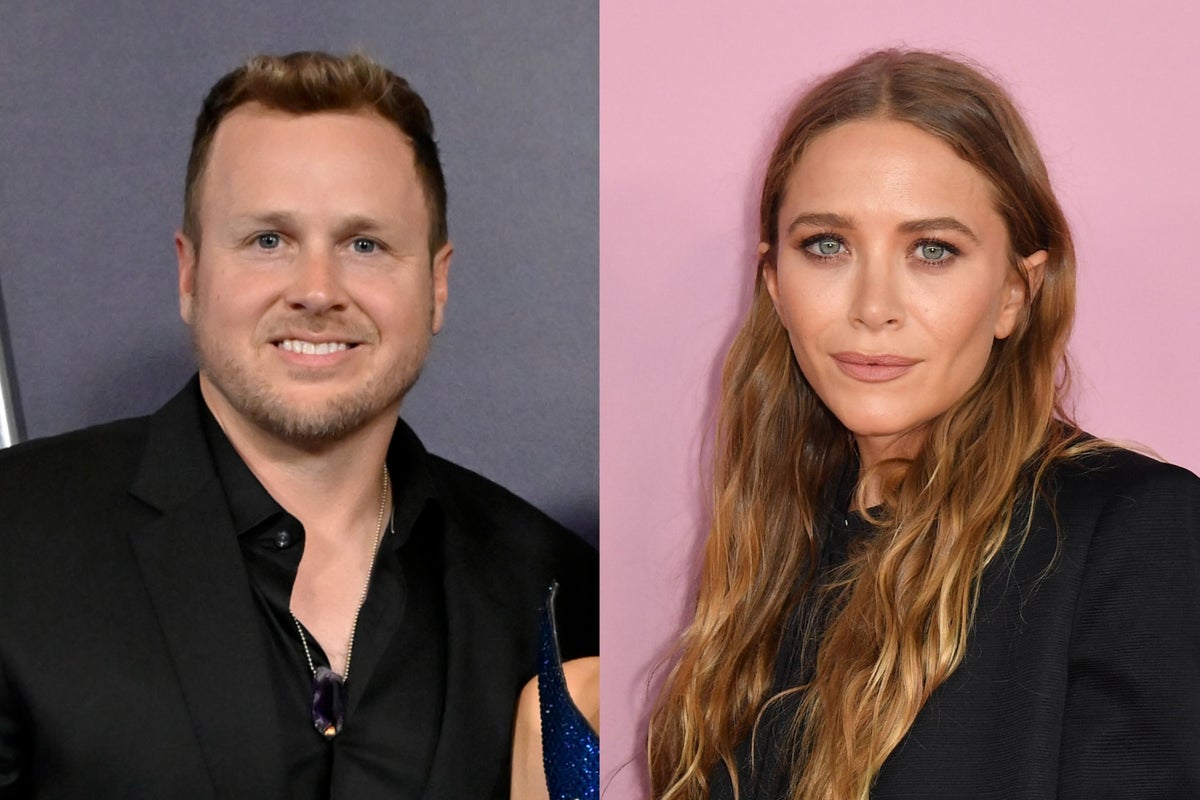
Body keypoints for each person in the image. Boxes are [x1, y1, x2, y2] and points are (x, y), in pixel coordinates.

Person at [0, 51, 597, 799]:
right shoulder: (16, 535)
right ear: (189, 274)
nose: (317, 290)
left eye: (364, 245)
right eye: (268, 241)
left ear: (437, 285)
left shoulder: (553, 588)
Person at [646, 49, 1200, 800]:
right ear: (774, 282)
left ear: (1015, 292)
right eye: (827, 246)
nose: (874, 307)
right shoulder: (775, 548)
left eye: (932, 251)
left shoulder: (1132, 529)